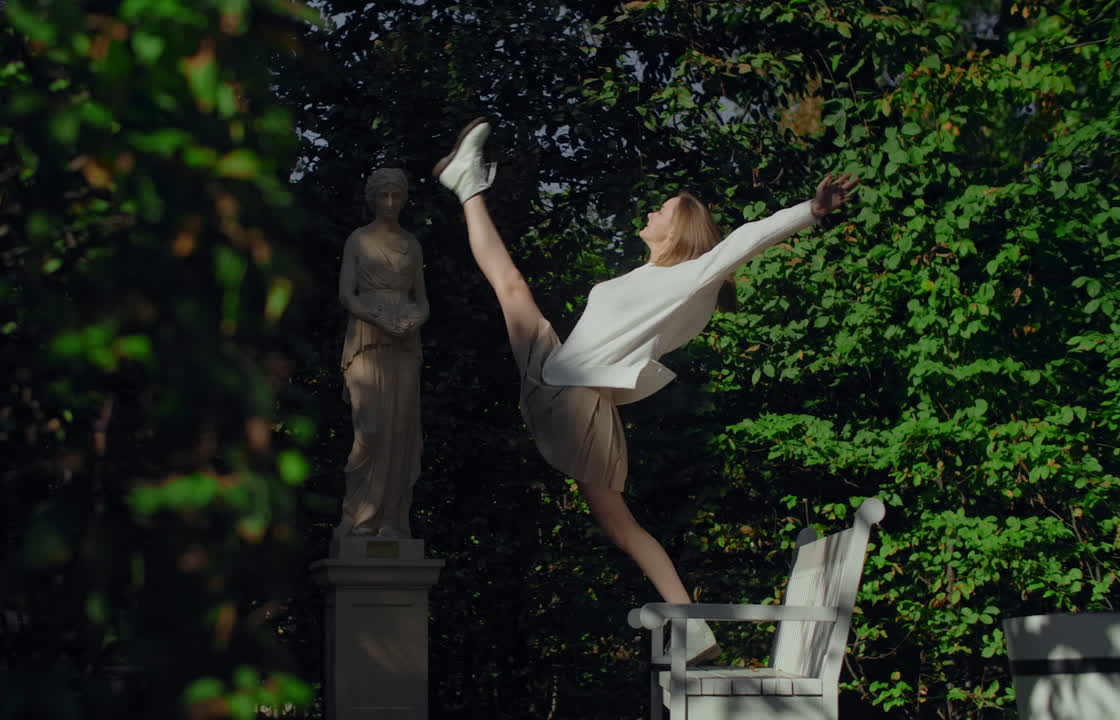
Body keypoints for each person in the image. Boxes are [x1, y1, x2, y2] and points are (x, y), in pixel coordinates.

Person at [433, 117, 859, 662]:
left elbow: (744, 240)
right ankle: (695, 631)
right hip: (572, 387)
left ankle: (467, 183)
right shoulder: (653, 278)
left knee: (511, 288)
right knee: (620, 525)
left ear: (680, 228)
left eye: (661, 209)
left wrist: (811, 212)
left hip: (572, 391)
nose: (651, 212)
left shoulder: (689, 278)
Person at [336, 168, 429, 542]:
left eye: (396, 195)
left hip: (405, 340)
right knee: (371, 429)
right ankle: (358, 517)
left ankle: (391, 521)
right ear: (372, 198)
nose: (390, 203)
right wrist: (377, 317)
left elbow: (422, 300)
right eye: (383, 196)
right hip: (368, 337)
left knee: (401, 429)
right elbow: (347, 294)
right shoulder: (358, 240)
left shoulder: (412, 244)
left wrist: (414, 320)